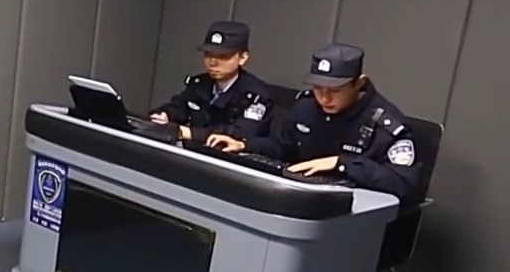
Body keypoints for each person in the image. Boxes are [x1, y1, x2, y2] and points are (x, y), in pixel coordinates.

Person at [206, 43, 423, 202]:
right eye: (318, 88)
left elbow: (405, 185)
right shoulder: (307, 107)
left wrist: (342, 164)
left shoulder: (385, 124)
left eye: (335, 91)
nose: (325, 98)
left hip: (352, 214)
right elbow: (283, 147)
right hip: (302, 198)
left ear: (359, 83)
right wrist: (245, 145)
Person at [150, 20, 274, 143]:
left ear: (242, 58)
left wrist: (187, 133)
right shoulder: (200, 83)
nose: (212, 62)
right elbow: (178, 107)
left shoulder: (256, 95)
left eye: (222, 56)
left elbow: (240, 132)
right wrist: (165, 115)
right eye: (208, 54)